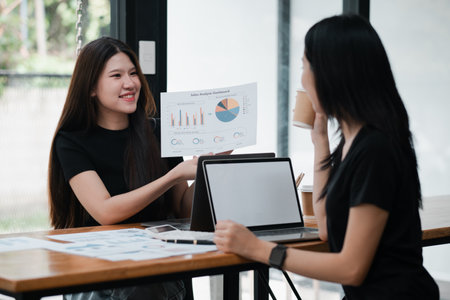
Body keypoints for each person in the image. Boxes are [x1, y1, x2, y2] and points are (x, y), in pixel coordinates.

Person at [214, 14, 439, 300]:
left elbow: (352, 267)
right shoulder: (354, 141)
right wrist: (320, 141)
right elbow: (325, 227)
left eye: (305, 67)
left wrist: (259, 249)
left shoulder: (375, 149)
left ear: (332, 73)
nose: (302, 80)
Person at [48, 37, 197, 300]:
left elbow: (184, 209)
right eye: (116, 76)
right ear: (91, 88)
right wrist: (173, 175)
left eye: (133, 73)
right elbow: (105, 211)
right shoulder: (71, 140)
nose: (130, 83)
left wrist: (206, 165)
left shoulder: (159, 132)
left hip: (158, 268)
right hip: (98, 272)